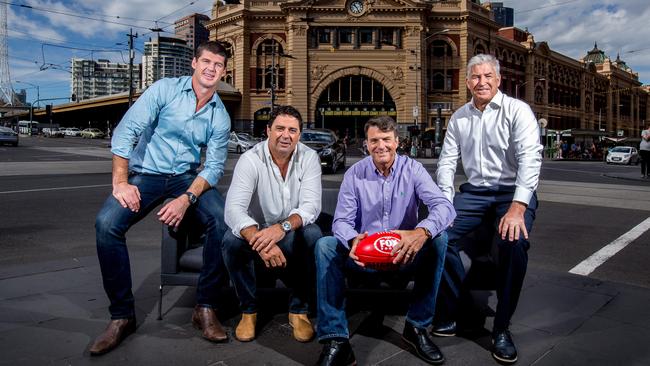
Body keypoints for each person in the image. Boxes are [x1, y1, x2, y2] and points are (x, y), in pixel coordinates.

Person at [90, 41, 231, 355]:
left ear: (223, 71)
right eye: (206, 61)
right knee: (106, 224)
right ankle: (122, 316)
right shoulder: (164, 90)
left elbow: (215, 166)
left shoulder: (219, 116)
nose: (211, 69)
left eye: (218, 65)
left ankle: (205, 307)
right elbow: (126, 131)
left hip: (184, 178)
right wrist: (121, 183)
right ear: (194, 63)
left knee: (222, 222)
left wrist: (186, 199)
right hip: (147, 174)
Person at [314, 115, 455, 366]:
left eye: (386, 139)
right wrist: (352, 239)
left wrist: (420, 232)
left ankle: (417, 327)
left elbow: (444, 207)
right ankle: (336, 339)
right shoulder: (355, 174)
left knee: (439, 238)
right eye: (374, 140)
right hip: (364, 256)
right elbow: (341, 222)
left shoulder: (413, 170)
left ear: (397, 141)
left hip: (404, 255)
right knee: (324, 246)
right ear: (366, 144)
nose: (381, 146)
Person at [434, 54, 542, 364]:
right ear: (467, 82)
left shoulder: (517, 111)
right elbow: (446, 162)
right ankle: (456, 304)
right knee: (439, 237)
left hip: (511, 193)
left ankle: (502, 328)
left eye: (487, 77)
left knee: (514, 243)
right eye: (475, 77)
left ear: (497, 79)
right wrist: (443, 202)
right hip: (473, 194)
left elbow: (530, 160)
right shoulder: (459, 117)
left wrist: (518, 207)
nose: (481, 82)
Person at [223, 105, 323, 343]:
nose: (285, 135)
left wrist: (281, 229)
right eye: (279, 128)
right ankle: (249, 311)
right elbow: (233, 209)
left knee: (313, 234)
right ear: (268, 130)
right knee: (230, 240)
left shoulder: (309, 157)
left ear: (299, 134)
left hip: (289, 233)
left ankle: (299, 311)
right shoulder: (250, 159)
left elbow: (311, 207)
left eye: (292, 130)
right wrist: (261, 241)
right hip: (257, 236)